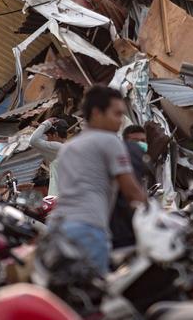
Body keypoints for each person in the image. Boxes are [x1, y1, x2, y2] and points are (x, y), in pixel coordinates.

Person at [50, 86, 147, 275]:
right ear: (96, 112)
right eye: (117, 114)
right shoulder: (110, 141)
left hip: (58, 228)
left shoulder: (68, 147)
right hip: (89, 229)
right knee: (94, 296)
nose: (120, 122)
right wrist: (157, 215)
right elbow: (132, 192)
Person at [110, 125, 149, 249]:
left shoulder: (142, 161)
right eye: (135, 141)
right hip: (119, 231)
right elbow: (132, 194)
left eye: (143, 141)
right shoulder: (121, 161)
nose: (139, 144)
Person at [29, 118, 69, 196]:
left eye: (48, 136)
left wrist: (46, 123)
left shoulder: (57, 147)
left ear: (55, 134)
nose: (47, 139)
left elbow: (33, 141)